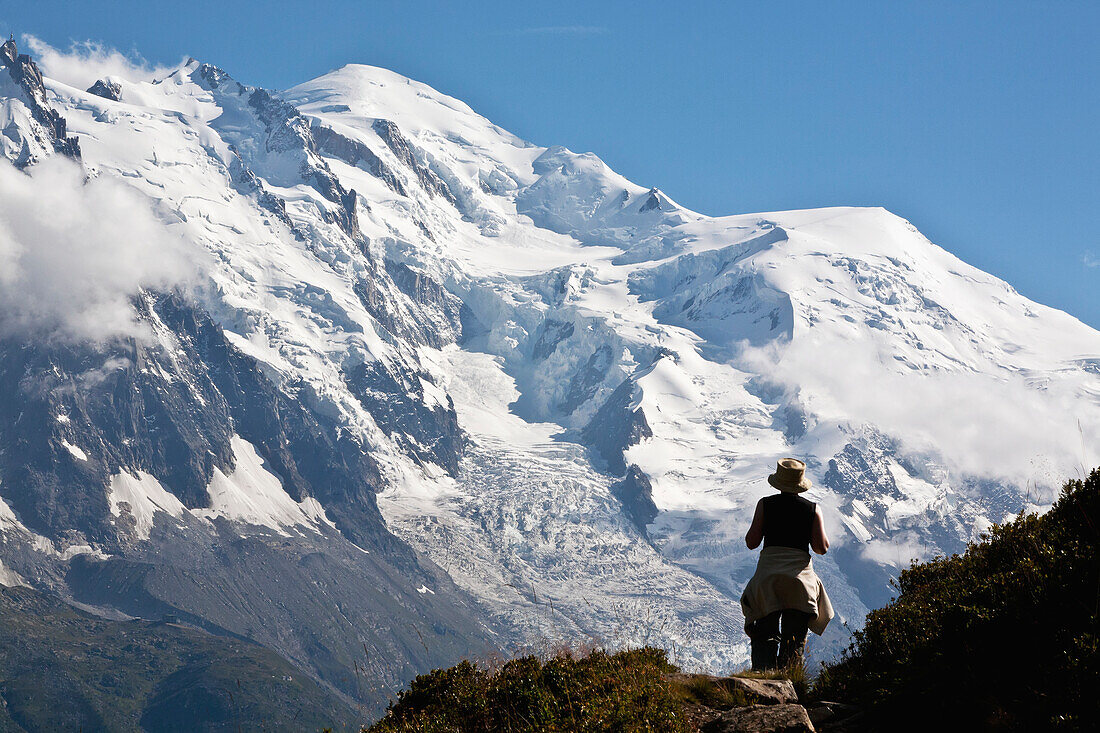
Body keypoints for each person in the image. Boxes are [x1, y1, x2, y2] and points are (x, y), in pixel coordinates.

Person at [740, 458, 834, 671]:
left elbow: (751, 542)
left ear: (777, 482)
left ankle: (763, 682)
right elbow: (821, 548)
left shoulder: (765, 504)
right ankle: (790, 683)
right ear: (800, 483)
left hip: (768, 579)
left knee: (765, 634)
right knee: (794, 639)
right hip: (799, 582)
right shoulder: (813, 509)